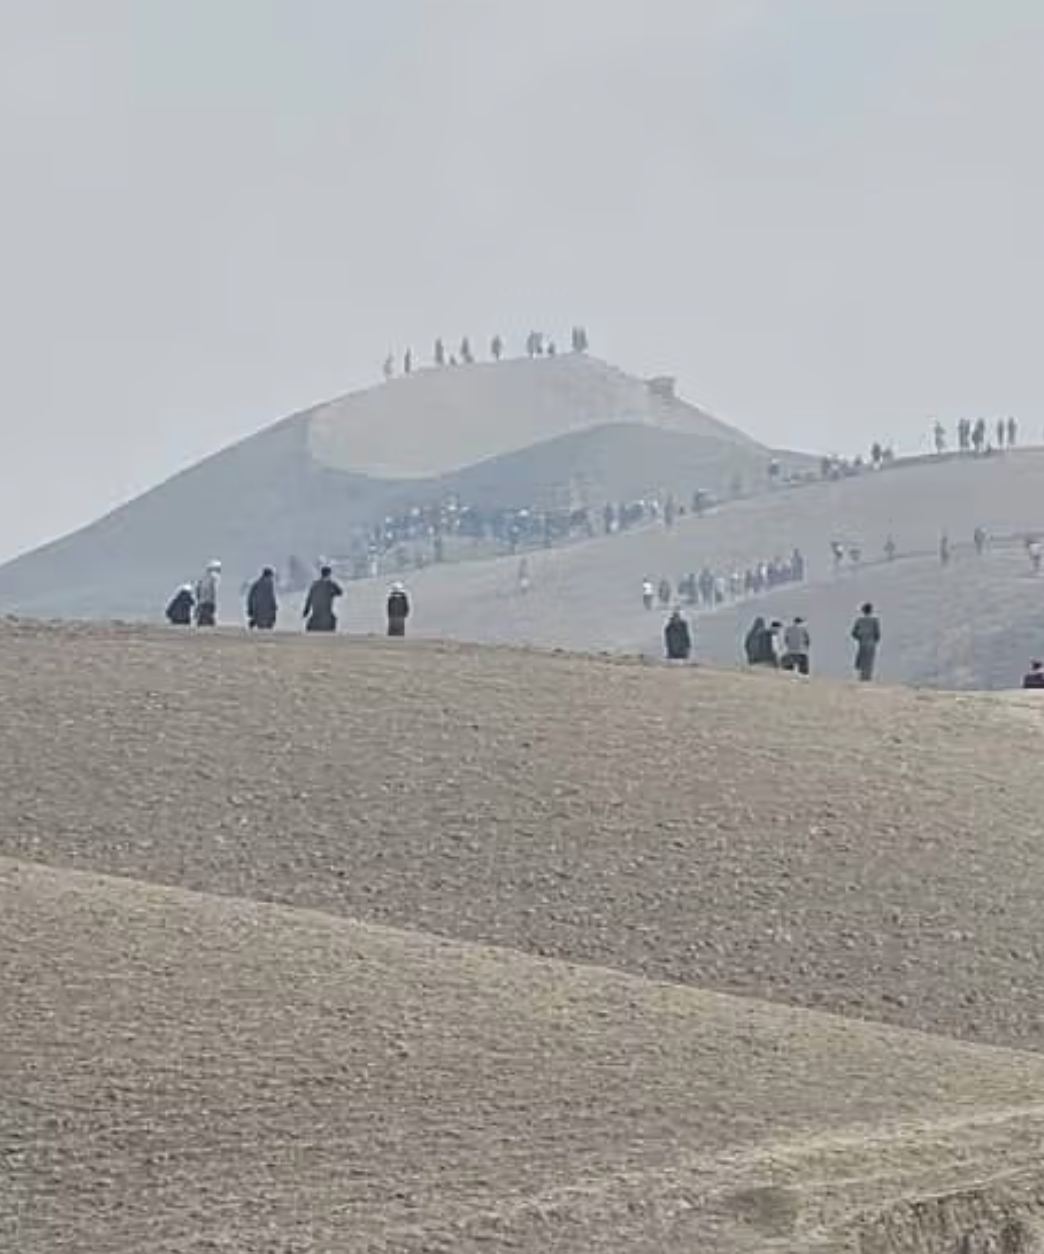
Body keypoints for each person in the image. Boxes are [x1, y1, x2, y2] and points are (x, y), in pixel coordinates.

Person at [303, 566, 343, 633]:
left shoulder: (315, 584)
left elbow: (309, 599)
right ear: (329, 574)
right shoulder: (330, 585)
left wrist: (306, 612)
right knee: (333, 620)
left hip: (315, 616)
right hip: (326, 617)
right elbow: (340, 592)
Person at [851, 603, 882, 682]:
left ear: (863, 611)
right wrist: (875, 640)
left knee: (862, 661)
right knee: (869, 662)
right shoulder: (875, 621)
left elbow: (853, 633)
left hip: (862, 643)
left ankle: (862, 678)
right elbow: (877, 634)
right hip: (871, 643)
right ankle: (868, 678)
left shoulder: (859, 620)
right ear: (871, 610)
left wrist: (860, 638)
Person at [195, 560, 221, 627]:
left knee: (204, 618)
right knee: (207, 618)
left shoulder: (204, 578)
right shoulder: (212, 578)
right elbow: (211, 592)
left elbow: (198, 590)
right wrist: (212, 602)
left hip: (203, 602)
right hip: (207, 602)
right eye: (218, 569)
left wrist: (199, 599)